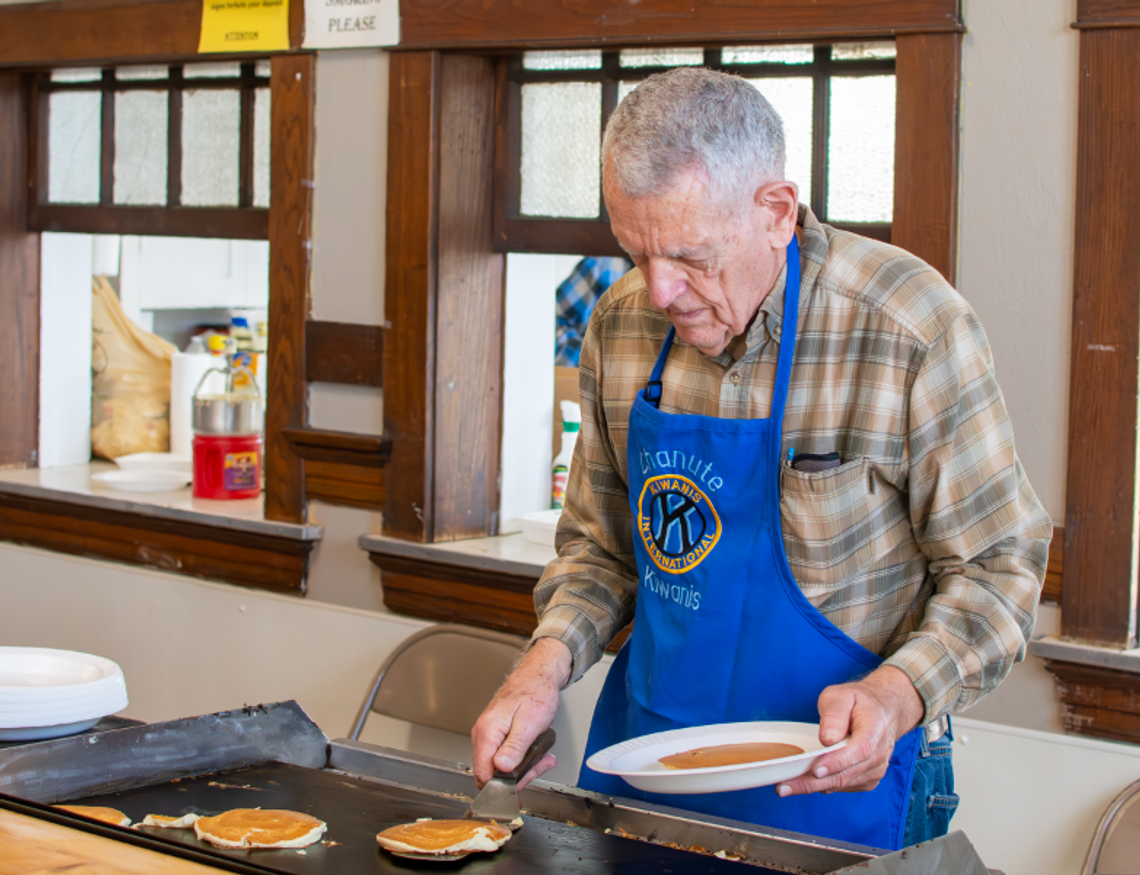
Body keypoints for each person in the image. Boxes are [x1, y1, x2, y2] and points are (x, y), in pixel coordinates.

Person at [472, 67, 1051, 850]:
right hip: (651, 764)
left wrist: (898, 691)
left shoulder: (908, 326)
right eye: (634, 253)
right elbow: (600, 549)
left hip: (839, 777)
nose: (661, 289)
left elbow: (999, 568)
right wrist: (542, 667)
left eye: (689, 256)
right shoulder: (620, 325)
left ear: (776, 211)